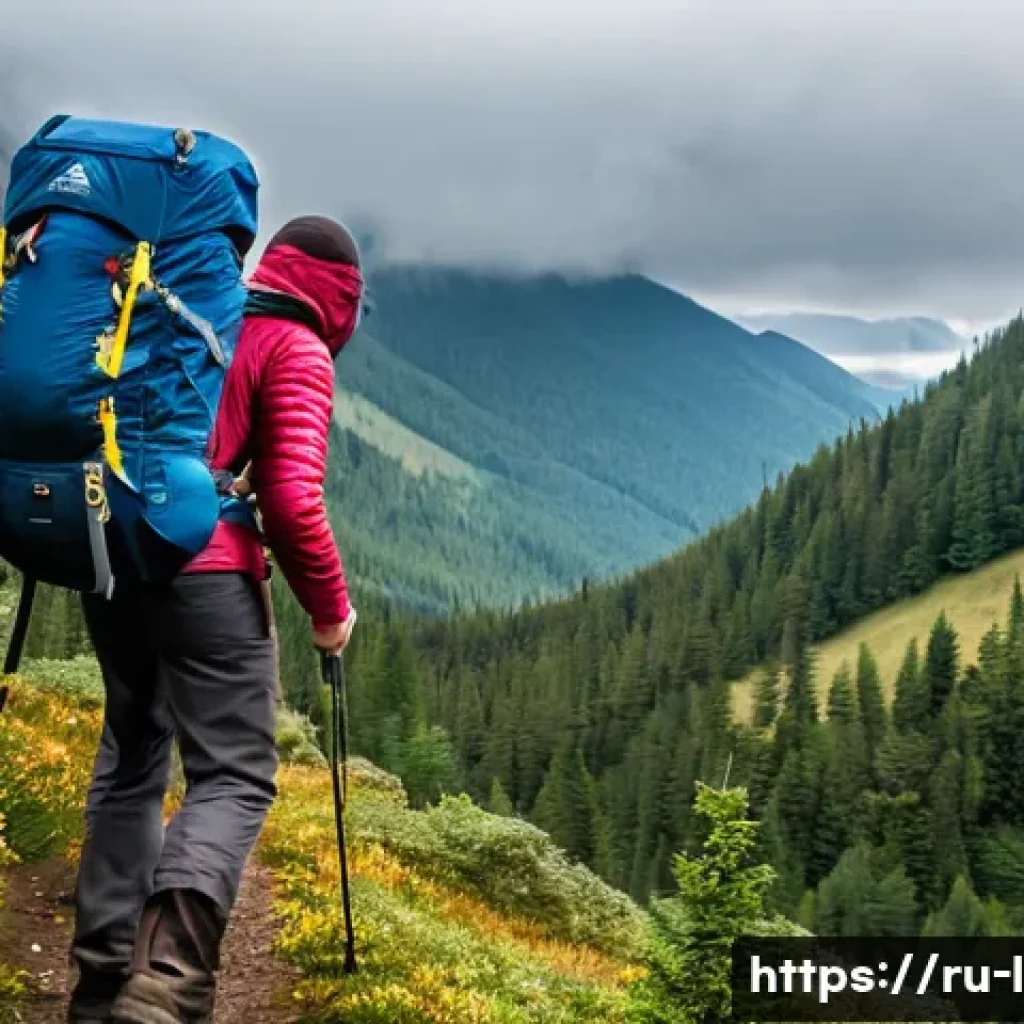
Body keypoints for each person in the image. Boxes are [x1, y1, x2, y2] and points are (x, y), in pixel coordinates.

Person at [67, 216, 365, 1024]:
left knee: (132, 755)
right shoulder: (293, 343)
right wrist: (330, 614)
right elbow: (294, 501)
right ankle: (166, 984)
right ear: (340, 300)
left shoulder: (188, 310)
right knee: (233, 774)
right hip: (206, 573)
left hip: (112, 559)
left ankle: (100, 983)